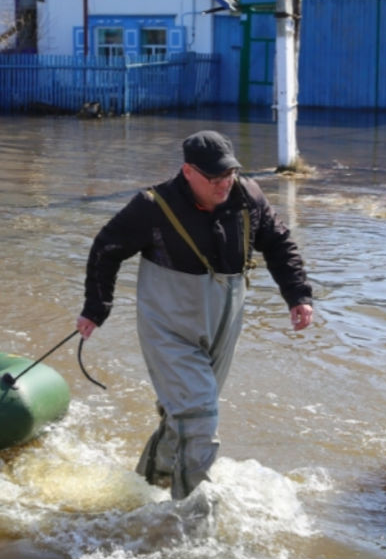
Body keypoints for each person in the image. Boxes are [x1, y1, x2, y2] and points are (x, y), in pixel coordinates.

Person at [76, 130, 313, 500]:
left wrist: (298, 295)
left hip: (223, 325)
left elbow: (279, 243)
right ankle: (191, 515)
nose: (224, 184)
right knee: (200, 416)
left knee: (184, 417)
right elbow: (106, 248)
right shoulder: (153, 206)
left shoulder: (247, 197)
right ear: (188, 171)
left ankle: (145, 489)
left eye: (229, 174)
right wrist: (96, 308)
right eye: (214, 178)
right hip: (168, 328)